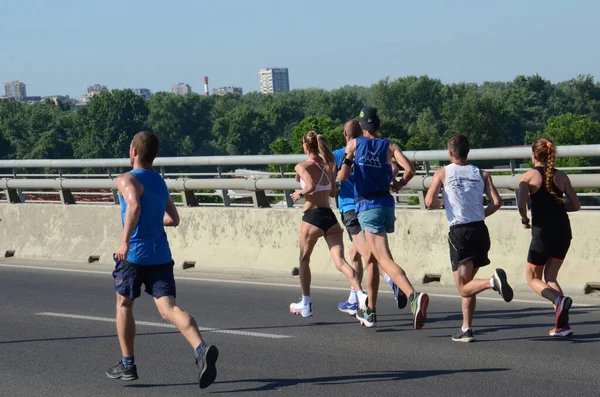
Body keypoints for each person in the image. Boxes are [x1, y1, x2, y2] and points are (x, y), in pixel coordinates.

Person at [106, 131, 218, 389]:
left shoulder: (126, 179)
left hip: (133, 255)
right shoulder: (159, 181)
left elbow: (133, 206)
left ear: (133, 151)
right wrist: (152, 221)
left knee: (124, 305)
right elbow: (173, 219)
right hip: (160, 256)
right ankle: (201, 348)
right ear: (153, 156)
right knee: (168, 309)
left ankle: (128, 364)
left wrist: (125, 239)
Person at [338, 107, 429, 330]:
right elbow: (409, 168)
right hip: (386, 204)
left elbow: (342, 176)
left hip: (367, 206)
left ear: (361, 127)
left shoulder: (355, 144)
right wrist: (398, 184)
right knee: (370, 260)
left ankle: (413, 296)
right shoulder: (390, 146)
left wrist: (348, 163)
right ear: (378, 125)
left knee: (383, 259)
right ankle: (371, 310)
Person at [425, 134, 513, 342]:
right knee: (469, 284)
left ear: (449, 153)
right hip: (480, 231)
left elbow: (429, 202)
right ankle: (466, 329)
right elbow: (497, 202)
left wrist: (444, 205)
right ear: (468, 152)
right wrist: (481, 213)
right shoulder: (481, 174)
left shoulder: (442, 173)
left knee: (463, 287)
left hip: (460, 232)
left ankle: (493, 282)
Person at [333, 120, 407, 325]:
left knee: (370, 254)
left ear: (345, 135)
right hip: (373, 204)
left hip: (352, 208)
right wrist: (393, 180)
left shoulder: (342, 152)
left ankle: (392, 283)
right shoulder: (373, 148)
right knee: (354, 252)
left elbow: (334, 176)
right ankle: (353, 299)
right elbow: (392, 167)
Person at [289, 130, 368, 318]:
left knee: (303, 259)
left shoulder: (301, 166)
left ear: (306, 146)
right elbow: (333, 192)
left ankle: (306, 303)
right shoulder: (328, 165)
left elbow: (309, 186)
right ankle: (360, 294)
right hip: (329, 218)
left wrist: (299, 193)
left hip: (312, 217)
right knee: (340, 262)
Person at [518, 137, 580, 337]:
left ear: (533, 155)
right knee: (551, 277)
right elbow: (575, 205)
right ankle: (562, 325)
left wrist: (525, 219)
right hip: (563, 232)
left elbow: (521, 205)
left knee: (532, 277)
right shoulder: (561, 176)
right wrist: (558, 208)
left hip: (542, 233)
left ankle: (558, 301)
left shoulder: (527, 178)